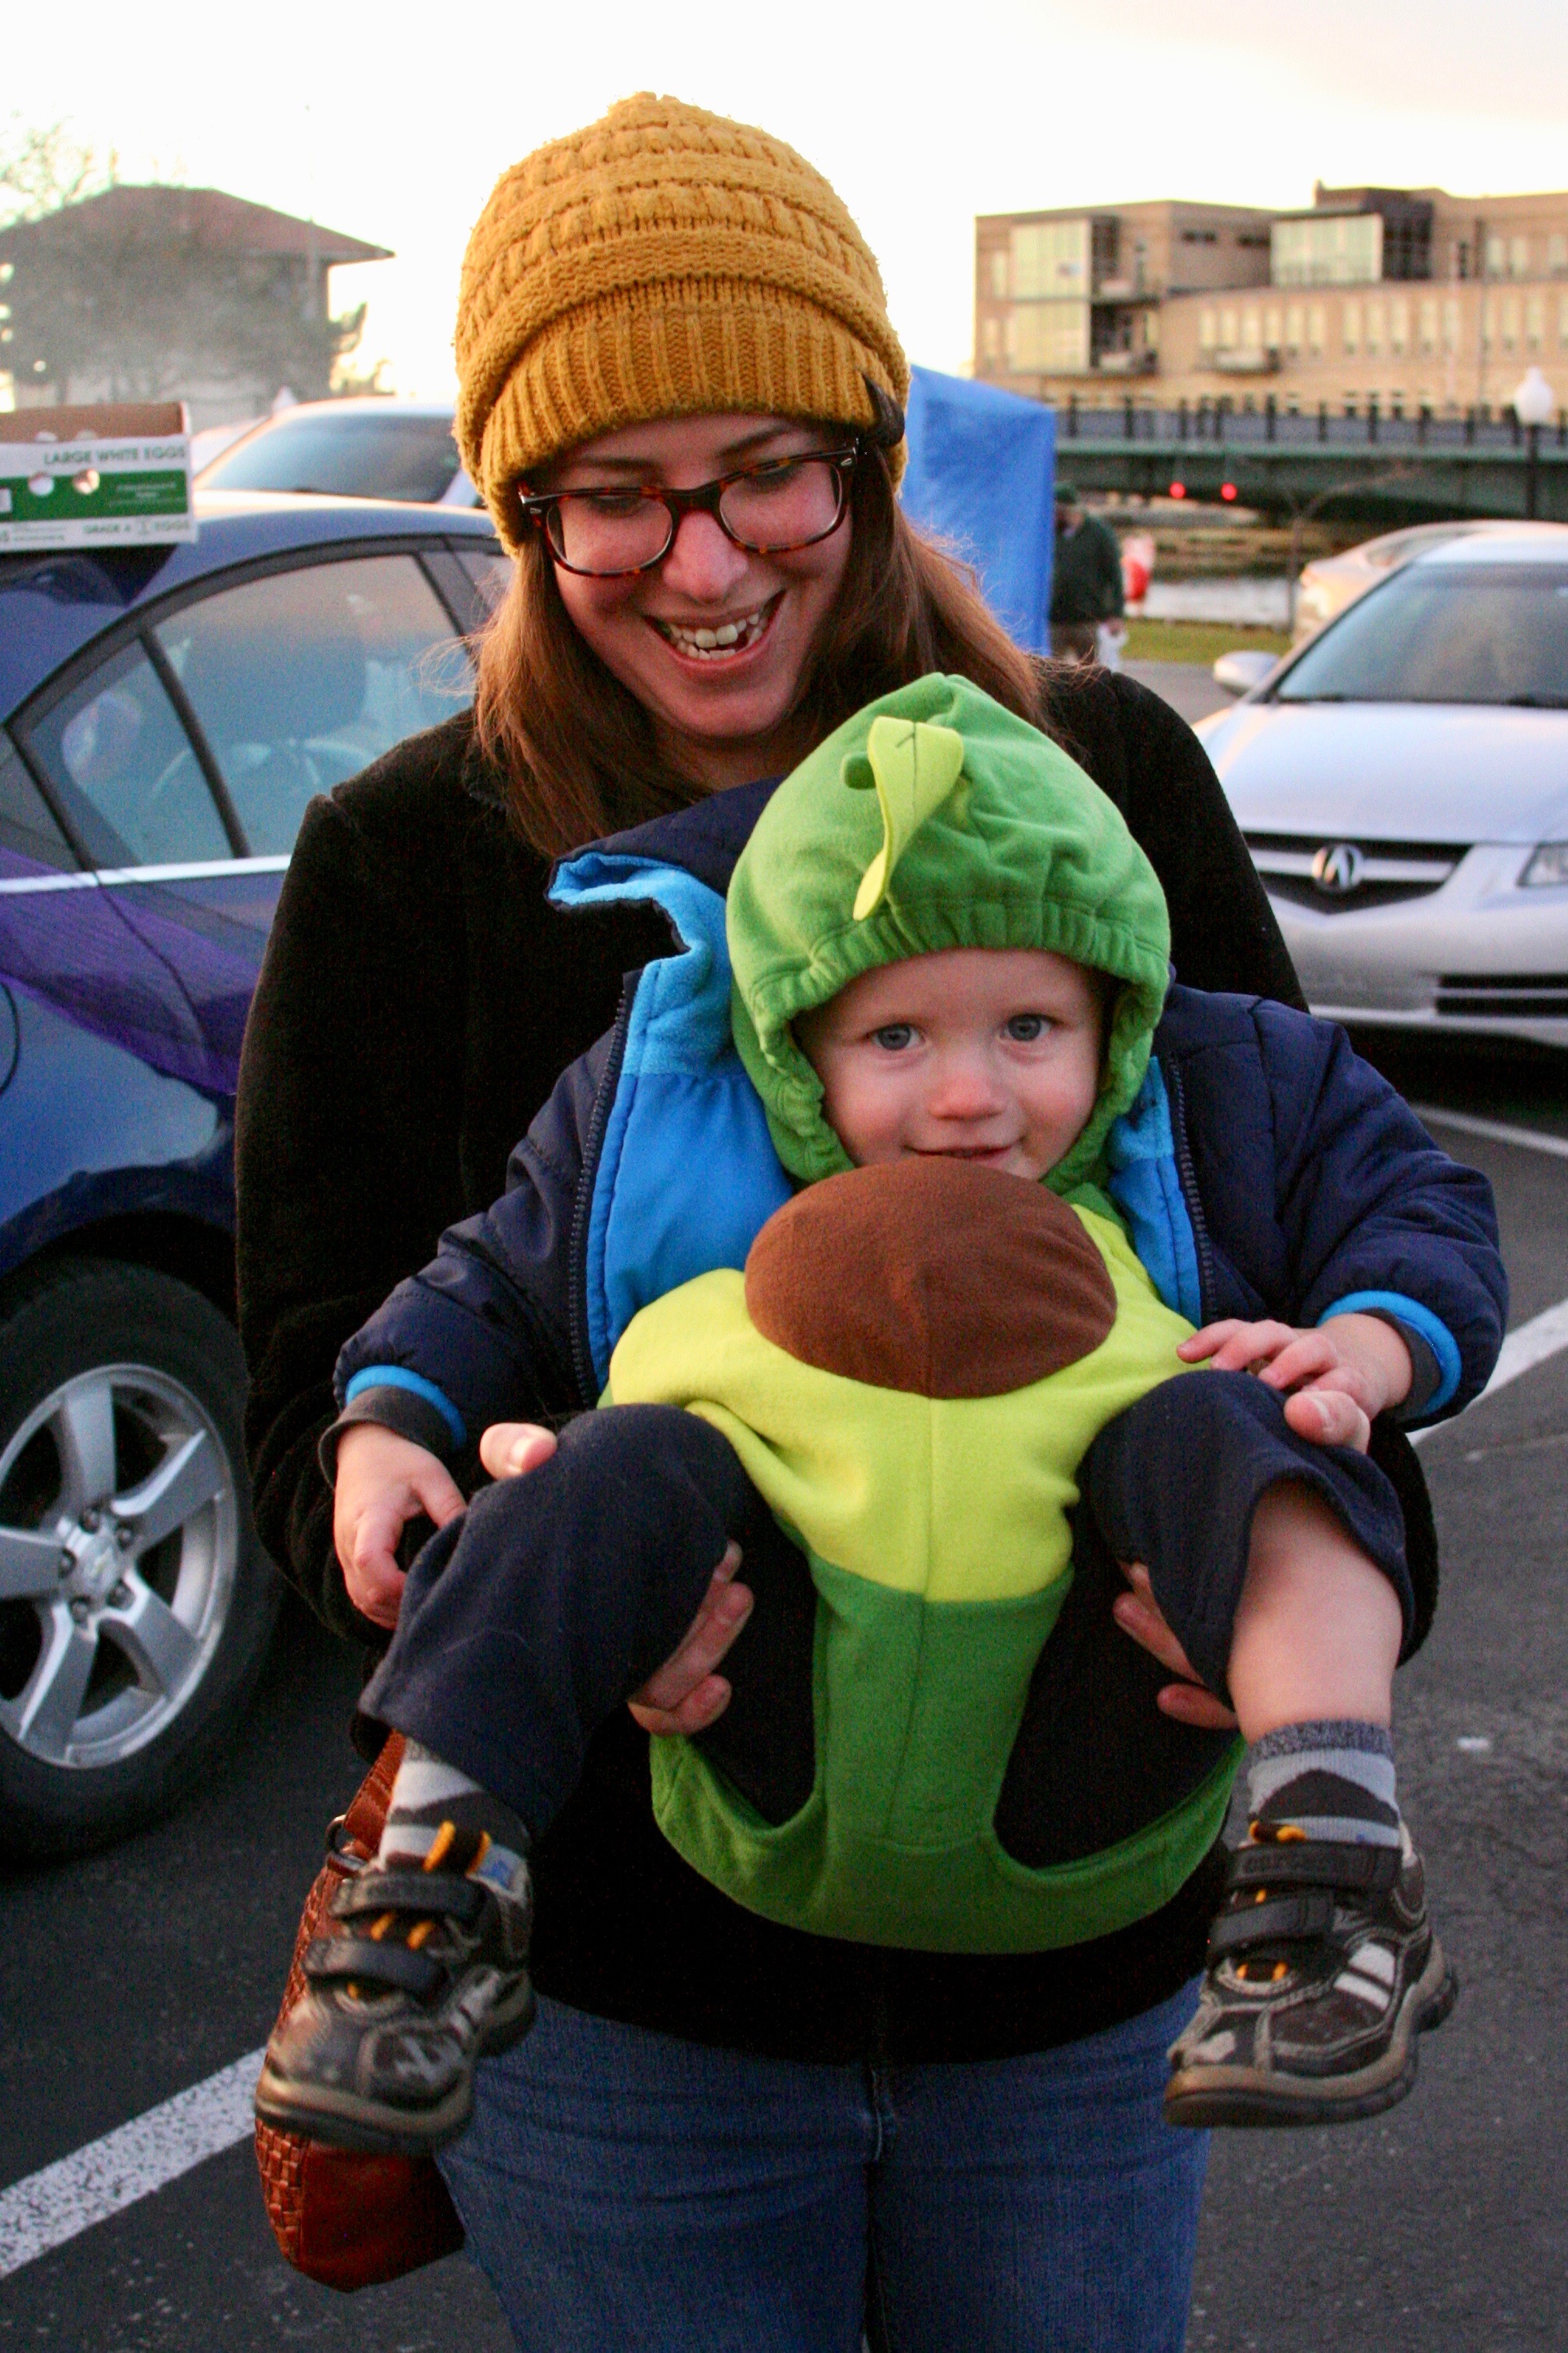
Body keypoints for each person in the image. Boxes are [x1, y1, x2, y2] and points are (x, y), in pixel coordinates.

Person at [236, 92, 1452, 2353]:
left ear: (868, 462)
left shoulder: (1093, 784)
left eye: (764, 472)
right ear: (521, 516)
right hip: (620, 2000)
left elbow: (1305, 1241)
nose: (701, 562)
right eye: (613, 494)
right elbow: (329, 1375)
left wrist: (1299, 1571)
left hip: (1075, 1990)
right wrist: (433, 1524)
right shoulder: (413, 865)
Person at [256, 675, 1501, 2164]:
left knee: (1235, 1427)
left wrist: (1359, 1347)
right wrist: (391, 1415)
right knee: (609, 1459)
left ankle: (1336, 1856)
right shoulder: (662, 1118)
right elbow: (488, 1279)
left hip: (1085, 1741)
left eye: (1031, 1026)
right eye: (896, 1038)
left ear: (1116, 1012)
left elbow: (1416, 1204)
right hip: (763, 1731)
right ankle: (439, 1875)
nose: (970, 1097)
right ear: (795, 1047)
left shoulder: (1231, 1086)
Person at [1050, 483, 1127, 665]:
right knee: (1050, 672)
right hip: (1054, 619)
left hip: (1088, 620)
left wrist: (1116, 613)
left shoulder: (1098, 534)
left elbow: (1115, 575)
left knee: (1092, 673)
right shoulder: (1050, 535)